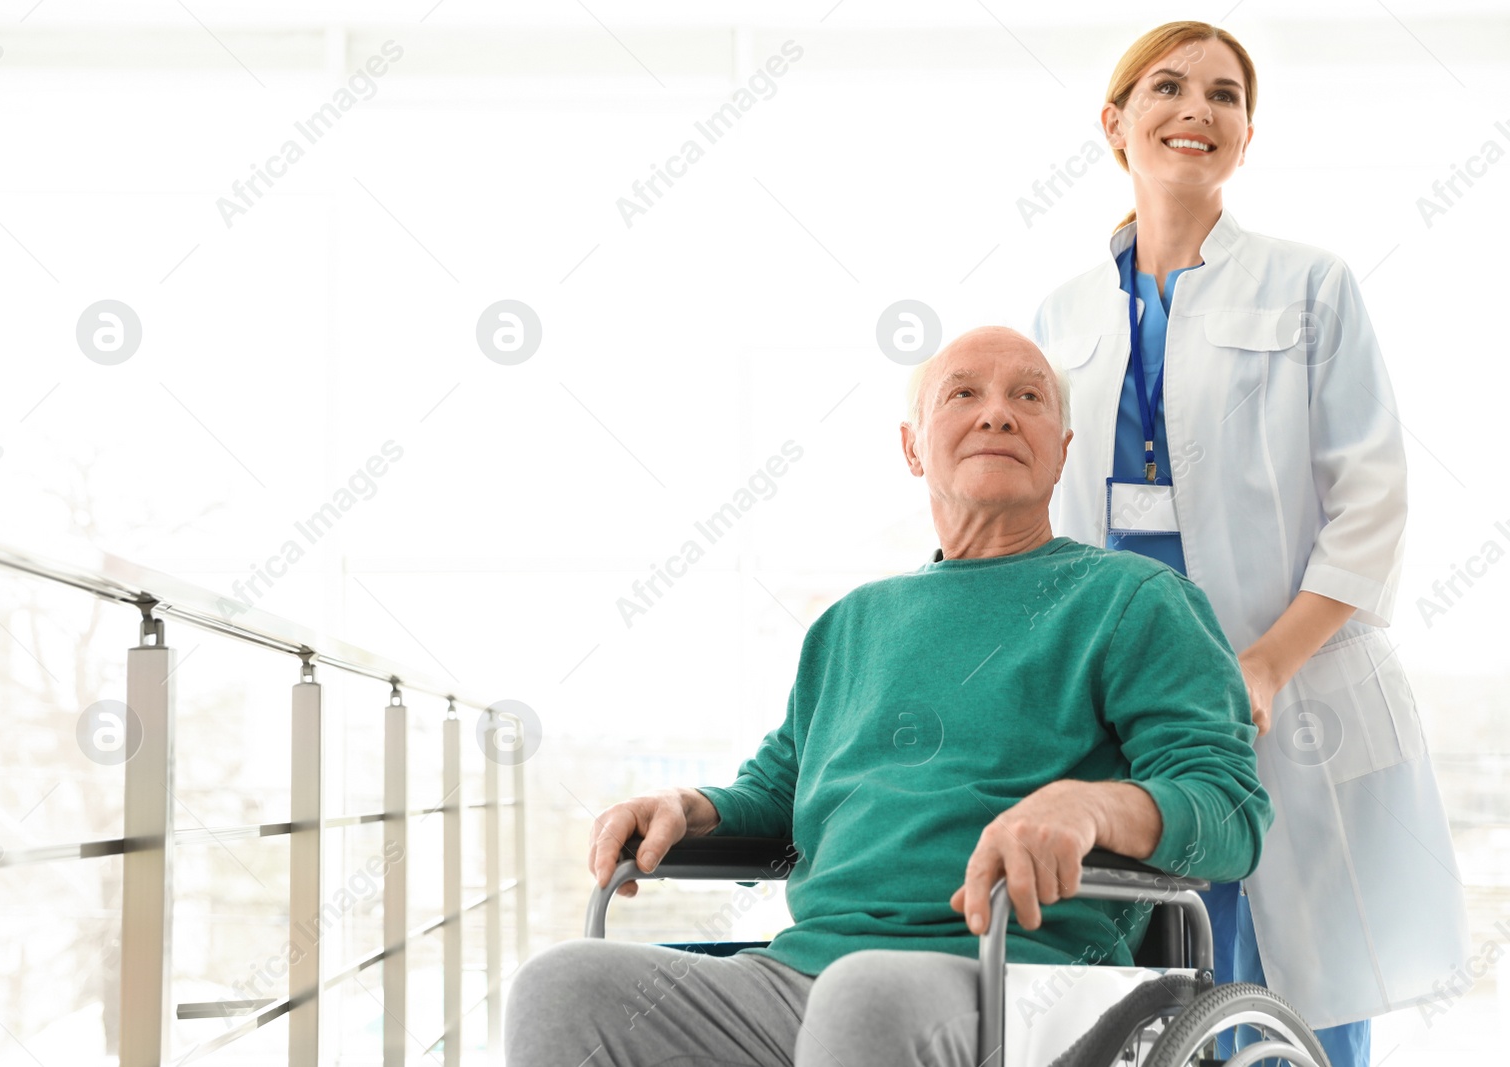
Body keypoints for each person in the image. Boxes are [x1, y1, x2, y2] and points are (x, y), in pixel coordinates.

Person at [504, 327, 1272, 1067]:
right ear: (912, 446)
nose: (997, 411)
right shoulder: (849, 625)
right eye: (962, 392)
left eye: (1029, 396)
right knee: (562, 986)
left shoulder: (1133, 600)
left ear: (1062, 451)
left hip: (1027, 980)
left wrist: (1091, 806)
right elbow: (780, 793)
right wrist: (693, 807)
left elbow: (1229, 809)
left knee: (866, 994)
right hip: (805, 975)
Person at [1030, 21, 1471, 1067]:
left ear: (1245, 133)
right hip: (1136, 699)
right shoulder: (1062, 311)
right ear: (1114, 121)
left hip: (1291, 683)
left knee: (1304, 979)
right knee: (1158, 980)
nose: (1197, 111)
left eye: (1224, 96)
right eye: (1169, 88)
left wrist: (1270, 658)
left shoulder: (1309, 285)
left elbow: (1371, 499)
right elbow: (1048, 514)